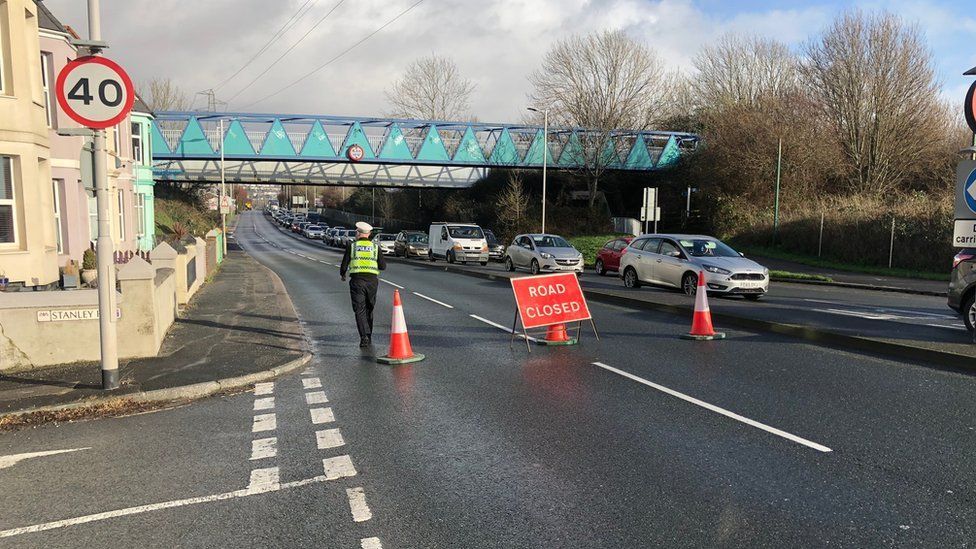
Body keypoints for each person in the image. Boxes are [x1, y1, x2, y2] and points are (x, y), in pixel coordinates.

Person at [340, 222, 387, 347]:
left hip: (357, 281)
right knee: (369, 308)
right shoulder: (375, 247)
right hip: (372, 282)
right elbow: (383, 266)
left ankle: (364, 337)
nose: (355, 234)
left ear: (359, 233)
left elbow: (344, 264)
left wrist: (343, 274)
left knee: (359, 309)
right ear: (369, 234)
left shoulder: (352, 246)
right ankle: (369, 334)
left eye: (356, 232)